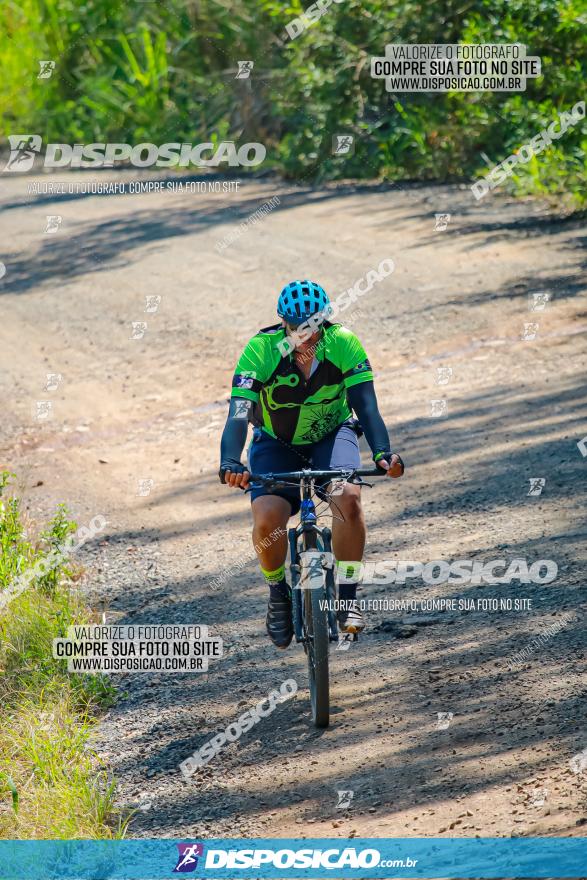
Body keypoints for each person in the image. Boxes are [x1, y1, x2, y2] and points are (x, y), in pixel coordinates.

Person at [219, 280, 404, 648]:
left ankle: (348, 598)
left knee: (348, 498)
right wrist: (230, 460)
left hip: (331, 435)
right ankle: (277, 593)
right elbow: (239, 413)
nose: (304, 337)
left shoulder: (345, 343)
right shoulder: (260, 350)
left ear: (324, 323)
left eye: (312, 327)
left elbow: (366, 406)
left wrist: (384, 453)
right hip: (277, 442)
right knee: (268, 517)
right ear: (283, 324)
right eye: (295, 328)